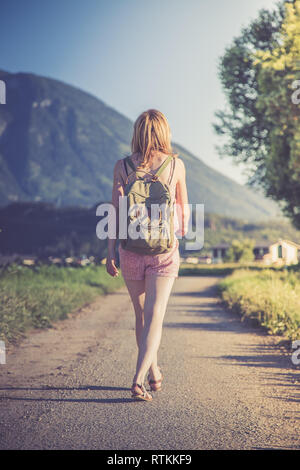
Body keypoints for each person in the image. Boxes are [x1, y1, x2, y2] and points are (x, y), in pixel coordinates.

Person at [106, 109, 189, 401]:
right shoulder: (175, 166)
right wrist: (175, 234)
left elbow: (115, 213)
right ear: (164, 131)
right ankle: (139, 379)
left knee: (142, 314)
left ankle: (153, 372)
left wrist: (110, 252)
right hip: (164, 251)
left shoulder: (122, 166)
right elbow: (184, 211)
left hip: (130, 250)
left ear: (137, 132)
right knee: (156, 315)